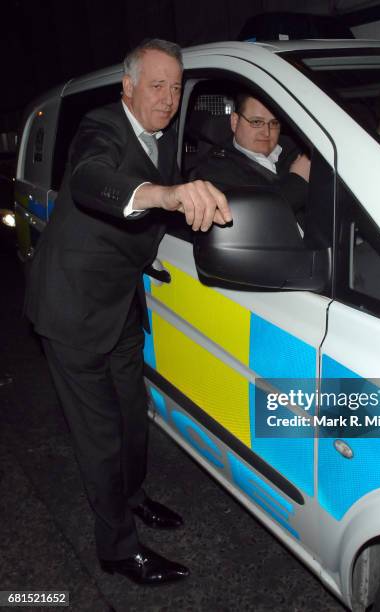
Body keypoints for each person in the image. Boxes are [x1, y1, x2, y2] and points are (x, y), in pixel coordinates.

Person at [24, 39, 231, 586]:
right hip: (72, 307)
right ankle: (116, 550)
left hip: (118, 303)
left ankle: (133, 496)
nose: (167, 99)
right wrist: (161, 195)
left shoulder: (163, 138)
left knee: (132, 415)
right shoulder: (101, 126)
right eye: (156, 86)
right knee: (100, 435)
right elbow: (93, 181)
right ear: (128, 87)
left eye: (176, 87)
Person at [191, 94, 310, 221]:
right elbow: (255, 217)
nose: (267, 132)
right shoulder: (214, 170)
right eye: (257, 122)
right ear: (235, 122)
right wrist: (298, 181)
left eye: (274, 123)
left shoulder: (299, 150)